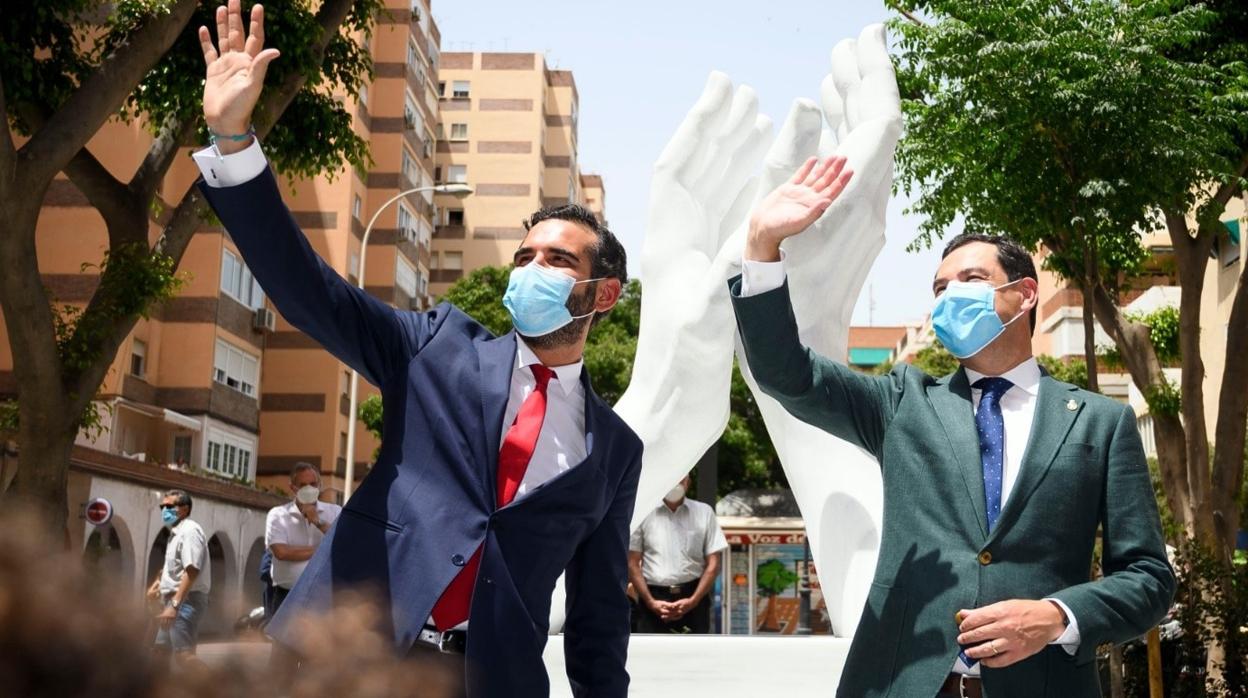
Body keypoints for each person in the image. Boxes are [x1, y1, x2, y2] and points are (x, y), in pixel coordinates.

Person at [189, 4, 642, 696]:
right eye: (524, 256)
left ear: (601, 295)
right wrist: (233, 143)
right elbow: (310, 294)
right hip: (347, 658)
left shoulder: (614, 450)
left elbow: (598, 617)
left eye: (556, 260)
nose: (528, 269)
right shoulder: (437, 347)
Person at [729, 155, 1175, 697]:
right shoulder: (902, 401)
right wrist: (761, 248)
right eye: (941, 288)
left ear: (1026, 294)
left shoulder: (1101, 423)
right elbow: (786, 374)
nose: (949, 297)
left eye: (971, 279)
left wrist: (1057, 615)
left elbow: (1149, 578)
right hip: (906, 683)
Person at [628, 475, 727, 634]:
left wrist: (693, 601)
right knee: (652, 653)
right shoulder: (644, 512)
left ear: (688, 483)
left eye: (681, 479)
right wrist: (651, 602)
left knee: (695, 654)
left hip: (694, 596)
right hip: (653, 596)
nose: (676, 484)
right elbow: (632, 563)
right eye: (671, 479)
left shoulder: (703, 512)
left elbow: (713, 564)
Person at [264, 462, 342, 614]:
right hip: (287, 596)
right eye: (303, 485)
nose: (309, 489)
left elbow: (343, 543)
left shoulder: (334, 512)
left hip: (323, 597)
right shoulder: (278, 515)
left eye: (313, 484)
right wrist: (325, 549)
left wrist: (317, 521)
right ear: (293, 487)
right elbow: (281, 552)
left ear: (320, 485)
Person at [146, 489, 211, 667]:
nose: (164, 511)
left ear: (184, 509)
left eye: (169, 506)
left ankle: (215, 688)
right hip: (176, 600)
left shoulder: (189, 532)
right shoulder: (176, 533)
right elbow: (175, 567)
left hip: (185, 601)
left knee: (184, 655)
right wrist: (159, 584)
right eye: (162, 507)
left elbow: (191, 570)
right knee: (160, 652)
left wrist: (174, 605)